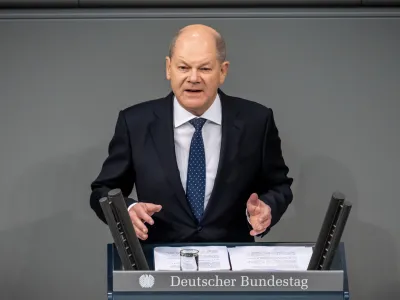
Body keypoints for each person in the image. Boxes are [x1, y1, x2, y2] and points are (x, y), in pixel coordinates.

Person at [90, 24, 293, 244]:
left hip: (231, 267)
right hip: (158, 265)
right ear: (169, 69)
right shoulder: (135, 123)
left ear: (223, 71)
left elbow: (278, 186)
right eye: (183, 67)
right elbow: (103, 190)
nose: (193, 78)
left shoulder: (256, 121)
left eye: (204, 69)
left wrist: (266, 208)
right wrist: (126, 210)